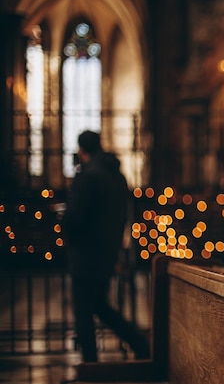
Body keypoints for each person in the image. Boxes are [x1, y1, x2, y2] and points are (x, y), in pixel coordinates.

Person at [62, 130, 149, 362]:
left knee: (84, 311)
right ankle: (140, 345)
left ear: (82, 151)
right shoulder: (116, 175)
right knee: (100, 306)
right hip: (107, 251)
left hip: (85, 254)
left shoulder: (88, 176)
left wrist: (69, 233)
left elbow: (74, 217)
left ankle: (90, 365)